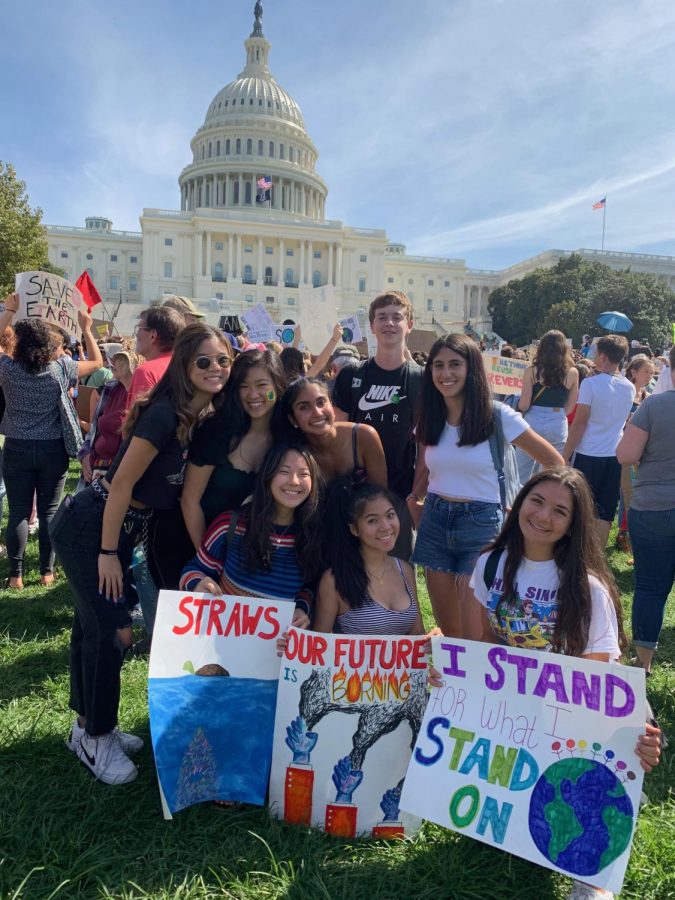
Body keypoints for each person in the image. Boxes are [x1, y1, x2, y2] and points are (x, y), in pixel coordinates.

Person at [445, 466, 660, 900]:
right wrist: (454, 681)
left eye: (560, 511)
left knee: (584, 797)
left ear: (572, 525)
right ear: (520, 501)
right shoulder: (490, 564)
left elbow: (598, 677)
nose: (544, 516)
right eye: (537, 501)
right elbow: (481, 646)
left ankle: (593, 880)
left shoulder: (588, 587)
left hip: (573, 714)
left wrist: (627, 739)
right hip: (514, 707)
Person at [50, 323, 230, 785]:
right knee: (115, 632)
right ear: (185, 366)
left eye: (223, 360)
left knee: (90, 626)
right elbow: (121, 484)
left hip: (120, 529)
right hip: (91, 527)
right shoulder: (165, 415)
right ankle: (97, 738)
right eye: (204, 361)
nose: (215, 369)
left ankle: (87, 726)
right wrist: (108, 551)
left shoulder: (197, 416)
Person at [409, 334, 563, 637]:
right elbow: (428, 464)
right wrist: (414, 496)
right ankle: (453, 684)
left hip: (481, 524)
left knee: (476, 629)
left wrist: (528, 506)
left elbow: (554, 461)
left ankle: (476, 682)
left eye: (455, 364)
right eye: (438, 365)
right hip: (436, 520)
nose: (445, 373)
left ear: (472, 369)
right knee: (449, 627)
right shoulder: (430, 416)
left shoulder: (498, 416)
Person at [0, 293, 103, 589]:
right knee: (48, 513)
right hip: (52, 448)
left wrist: (9, 311)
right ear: (49, 345)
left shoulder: (7, 369)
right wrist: (86, 328)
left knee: (18, 512)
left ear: (19, 343)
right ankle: (47, 572)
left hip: (17, 445)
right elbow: (96, 362)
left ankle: (15, 575)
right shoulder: (62, 369)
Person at [180, 444, 322, 623]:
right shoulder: (230, 525)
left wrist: (302, 608)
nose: (294, 481)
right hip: (221, 639)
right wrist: (196, 584)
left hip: (276, 646)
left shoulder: (313, 535)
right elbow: (194, 570)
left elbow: (309, 587)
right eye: (284, 471)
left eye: (304, 474)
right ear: (268, 476)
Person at [332, 291, 422, 559]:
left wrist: (414, 496)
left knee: (398, 572)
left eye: (397, 317)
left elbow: (426, 445)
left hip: (399, 494)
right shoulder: (351, 375)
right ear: (372, 326)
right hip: (355, 495)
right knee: (350, 571)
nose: (389, 323)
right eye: (382, 317)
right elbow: (336, 437)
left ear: (409, 325)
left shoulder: (421, 379)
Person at [181, 348, 286, 549]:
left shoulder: (287, 437)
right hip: (201, 549)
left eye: (262, 385)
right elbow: (189, 501)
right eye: (243, 386)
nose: (253, 394)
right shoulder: (217, 432)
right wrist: (207, 559)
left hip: (254, 557)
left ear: (278, 386)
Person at [617, 346, 675, 674]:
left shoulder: (653, 406)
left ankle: (643, 661)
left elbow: (625, 454)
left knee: (651, 587)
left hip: (653, 507)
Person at [312, 483, 423, 635]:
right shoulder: (334, 580)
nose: (385, 527)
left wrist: (433, 640)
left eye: (390, 515)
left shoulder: (405, 570)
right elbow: (317, 644)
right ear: (354, 529)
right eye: (372, 521)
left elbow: (417, 635)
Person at [562, 335, 634, 548]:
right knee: (605, 511)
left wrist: (564, 454)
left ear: (603, 356)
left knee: (580, 507)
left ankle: (576, 552)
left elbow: (580, 424)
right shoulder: (629, 387)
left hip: (588, 454)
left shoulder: (591, 384)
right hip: (614, 455)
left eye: (595, 353)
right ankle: (596, 557)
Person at [284, 377, 386, 487]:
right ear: (292, 419)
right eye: (304, 407)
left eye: (321, 402)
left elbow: (380, 495)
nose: (317, 413)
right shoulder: (294, 454)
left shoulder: (363, 436)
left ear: (332, 405)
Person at [515, 329, 579, 484]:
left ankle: (516, 504)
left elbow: (523, 405)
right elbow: (570, 408)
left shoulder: (531, 370)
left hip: (532, 419)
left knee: (521, 472)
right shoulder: (572, 372)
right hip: (557, 420)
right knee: (553, 472)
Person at [79, 350, 139, 486]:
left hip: (122, 477)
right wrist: (85, 454)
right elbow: (93, 430)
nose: (112, 362)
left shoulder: (144, 394)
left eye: (118, 358)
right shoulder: (109, 390)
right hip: (96, 471)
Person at [615, 354, 654, 554]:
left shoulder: (647, 397)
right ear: (633, 372)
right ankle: (624, 534)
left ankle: (624, 534)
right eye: (646, 371)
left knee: (630, 493)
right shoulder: (624, 393)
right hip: (621, 448)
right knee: (626, 492)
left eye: (652, 372)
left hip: (638, 452)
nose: (649, 375)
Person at [127, 305, 185, 407]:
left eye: (139, 329)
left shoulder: (146, 372)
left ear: (152, 335)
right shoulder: (187, 366)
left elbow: (137, 420)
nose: (136, 335)